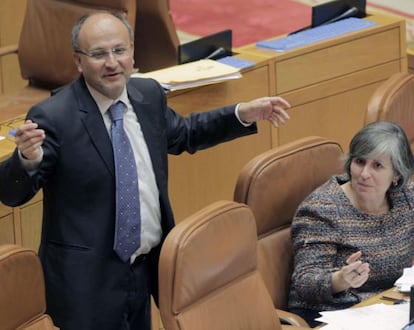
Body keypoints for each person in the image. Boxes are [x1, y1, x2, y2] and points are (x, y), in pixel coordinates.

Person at [0, 11, 291, 330]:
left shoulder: (147, 95)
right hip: (85, 283)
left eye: (119, 50)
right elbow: (12, 193)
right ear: (79, 61)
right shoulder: (55, 116)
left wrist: (242, 114)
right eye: (98, 54)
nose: (112, 62)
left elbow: (185, 133)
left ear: (132, 51)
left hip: (144, 269)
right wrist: (27, 158)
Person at [288, 121, 414, 327]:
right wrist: (339, 279)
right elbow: (305, 282)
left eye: (377, 166)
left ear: (397, 175)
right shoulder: (323, 208)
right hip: (331, 314)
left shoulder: (406, 197)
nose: (364, 174)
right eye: (359, 161)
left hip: (387, 308)